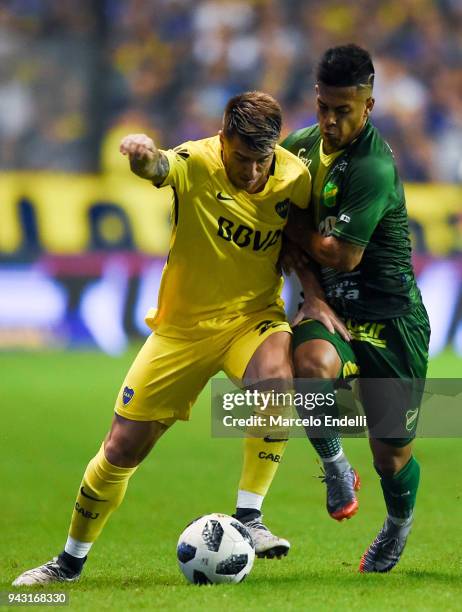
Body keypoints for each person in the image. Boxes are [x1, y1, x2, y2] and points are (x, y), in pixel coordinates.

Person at [12, 91, 348, 586]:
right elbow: (158, 168)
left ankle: (250, 518)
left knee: (277, 382)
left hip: (250, 319)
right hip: (182, 332)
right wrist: (144, 154)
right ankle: (67, 564)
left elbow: (298, 243)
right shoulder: (195, 161)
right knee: (121, 449)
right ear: (223, 138)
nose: (253, 173)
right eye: (241, 159)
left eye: (262, 161)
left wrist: (315, 299)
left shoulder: (293, 177)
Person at [282, 44, 430, 573]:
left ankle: (397, 524)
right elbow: (287, 247)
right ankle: (335, 464)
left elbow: (343, 255)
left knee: (391, 456)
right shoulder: (296, 149)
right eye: (323, 107)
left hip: (392, 321)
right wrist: (313, 295)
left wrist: (292, 224)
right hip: (331, 313)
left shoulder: (372, 166)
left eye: (343, 111)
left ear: (368, 107)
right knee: (309, 366)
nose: (329, 120)